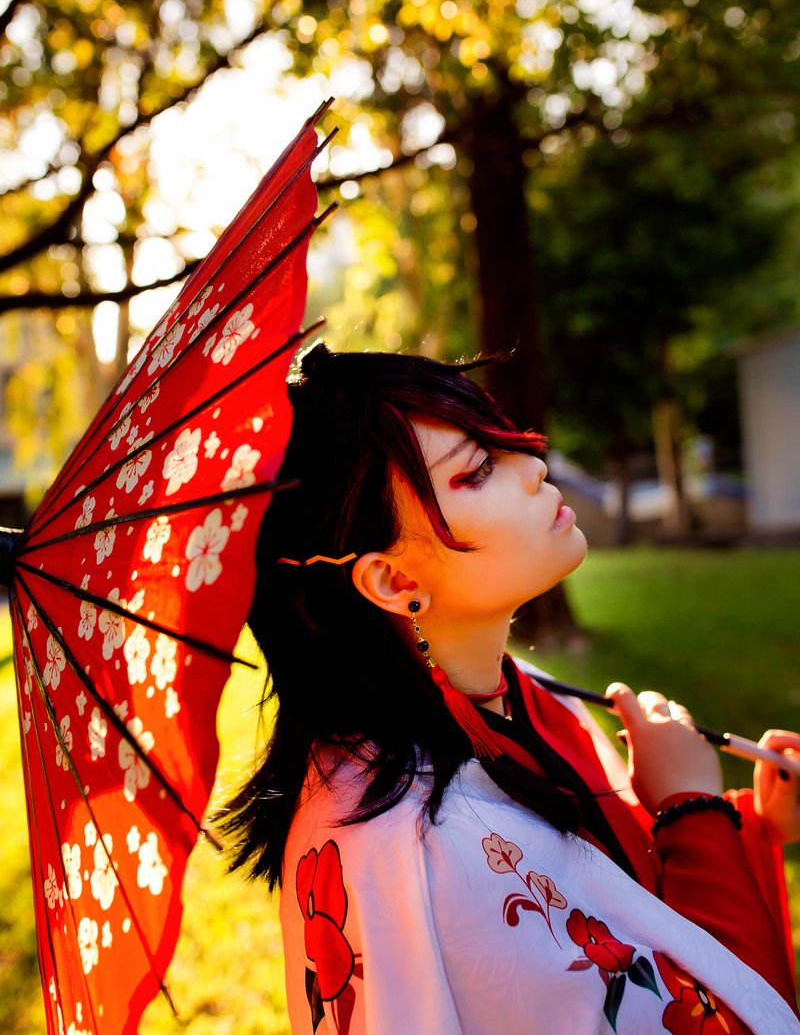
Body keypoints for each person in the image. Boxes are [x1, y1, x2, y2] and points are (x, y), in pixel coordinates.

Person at [223, 343, 800, 1035]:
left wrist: (750, 823)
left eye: (500, 443)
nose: (534, 465)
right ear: (394, 580)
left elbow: (625, 898)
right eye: (477, 470)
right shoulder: (430, 851)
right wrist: (691, 809)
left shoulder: (512, 695)